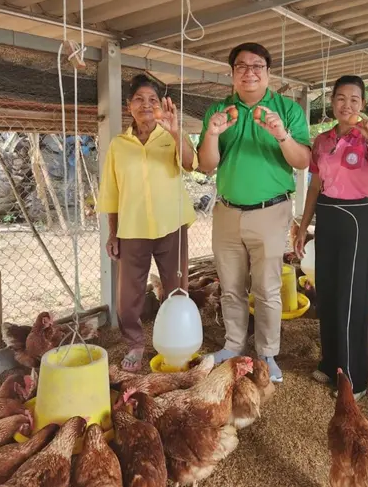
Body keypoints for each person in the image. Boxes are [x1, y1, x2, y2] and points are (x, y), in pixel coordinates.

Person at [197, 42, 311, 383]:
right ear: (232, 73)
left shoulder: (287, 110)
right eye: (242, 66)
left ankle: (267, 352)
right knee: (230, 285)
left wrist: (282, 135)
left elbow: (302, 161)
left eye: (257, 66)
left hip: (270, 210)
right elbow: (206, 165)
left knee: (267, 287)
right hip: (227, 210)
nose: (250, 72)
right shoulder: (219, 111)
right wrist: (213, 134)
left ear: (268, 73)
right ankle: (234, 344)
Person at [294, 75, 368, 400]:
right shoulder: (322, 141)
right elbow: (314, 186)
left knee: (351, 298)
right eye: (340, 98)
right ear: (332, 101)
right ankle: (331, 362)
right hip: (327, 215)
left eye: (354, 99)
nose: (346, 105)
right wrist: (304, 226)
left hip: (356, 219)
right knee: (328, 292)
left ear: (363, 104)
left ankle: (354, 377)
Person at [98, 74, 197, 372]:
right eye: (139, 99)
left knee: (177, 288)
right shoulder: (119, 145)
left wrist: (176, 133)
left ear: (161, 107)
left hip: (171, 225)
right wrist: (113, 233)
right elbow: (112, 193)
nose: (146, 105)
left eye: (153, 100)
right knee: (128, 295)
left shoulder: (171, 135)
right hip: (132, 228)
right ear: (129, 106)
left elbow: (191, 164)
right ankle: (135, 342)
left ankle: (179, 340)